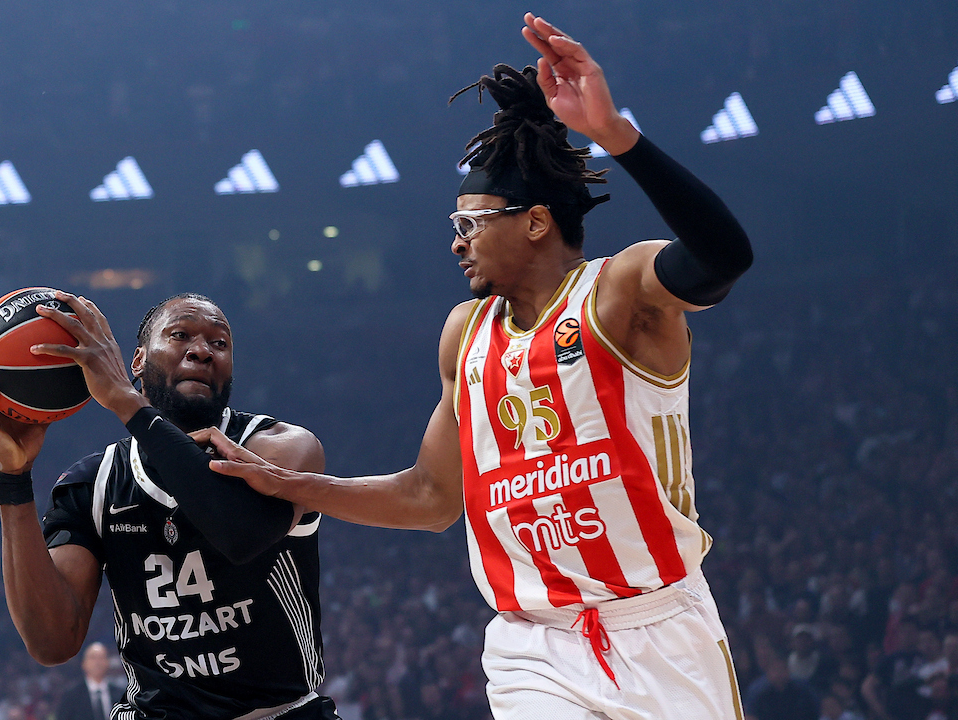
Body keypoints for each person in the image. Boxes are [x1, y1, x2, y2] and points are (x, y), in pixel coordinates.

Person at [197, 13, 753, 720]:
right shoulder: (465, 334)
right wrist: (290, 484)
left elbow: (723, 257)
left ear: (535, 221)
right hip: (531, 646)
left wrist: (617, 136)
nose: (457, 243)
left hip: (659, 627)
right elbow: (432, 498)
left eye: (470, 223)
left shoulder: (618, 294)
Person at [0, 292, 341, 720]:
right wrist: (13, 479)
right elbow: (53, 641)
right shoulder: (94, 483)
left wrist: (125, 399)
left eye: (220, 344)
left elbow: (241, 534)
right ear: (138, 360)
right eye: (180, 335)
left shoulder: (282, 448)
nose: (202, 351)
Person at [56, 643, 126, 720]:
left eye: (101, 657)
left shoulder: (121, 695)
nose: (97, 662)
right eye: (93, 658)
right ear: (84, 664)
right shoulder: (71, 695)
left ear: (107, 663)